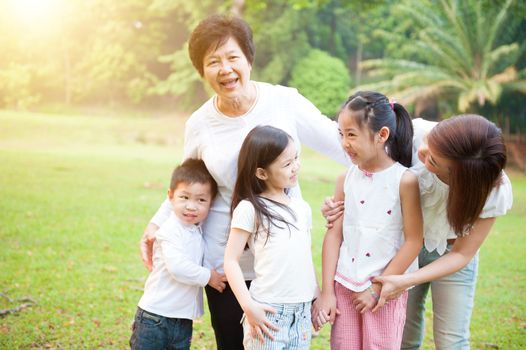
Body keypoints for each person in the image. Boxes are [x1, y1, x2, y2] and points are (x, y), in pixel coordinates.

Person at [140, 14, 347, 350]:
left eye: (233, 57)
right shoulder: (200, 124)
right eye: (213, 61)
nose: (225, 69)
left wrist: (401, 150)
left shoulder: (283, 101)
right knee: (233, 343)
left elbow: (342, 144)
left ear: (249, 59)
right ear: (202, 70)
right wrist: (155, 224)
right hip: (226, 259)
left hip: (282, 258)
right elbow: (187, 182)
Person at [322, 115, 513, 349]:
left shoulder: (492, 189)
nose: (421, 151)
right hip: (400, 249)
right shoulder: (412, 133)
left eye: (431, 159)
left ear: (459, 180)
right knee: (403, 335)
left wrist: (405, 281)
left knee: (451, 340)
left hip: (450, 255)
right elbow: (365, 174)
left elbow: (462, 255)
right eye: (428, 142)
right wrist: (339, 204)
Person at [313, 92, 423, 349]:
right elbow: (334, 236)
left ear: (381, 135)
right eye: (341, 134)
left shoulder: (405, 181)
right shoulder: (345, 179)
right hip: (344, 285)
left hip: (385, 290)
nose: (344, 143)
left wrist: (377, 288)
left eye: (351, 134)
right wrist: (327, 291)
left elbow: (414, 241)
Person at [224, 126, 319, 349]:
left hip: (301, 314)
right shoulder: (250, 208)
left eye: (296, 158)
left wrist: (318, 296)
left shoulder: (302, 208)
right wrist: (248, 306)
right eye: (287, 164)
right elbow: (230, 261)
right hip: (268, 312)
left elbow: (304, 258)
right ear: (261, 173)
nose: (295, 166)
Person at [130, 159, 224, 350]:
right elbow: (178, 268)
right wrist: (209, 277)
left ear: (211, 203)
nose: (191, 206)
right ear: (170, 197)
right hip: (156, 318)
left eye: (201, 200)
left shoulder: (195, 229)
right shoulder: (169, 230)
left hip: (181, 320)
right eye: (184, 197)